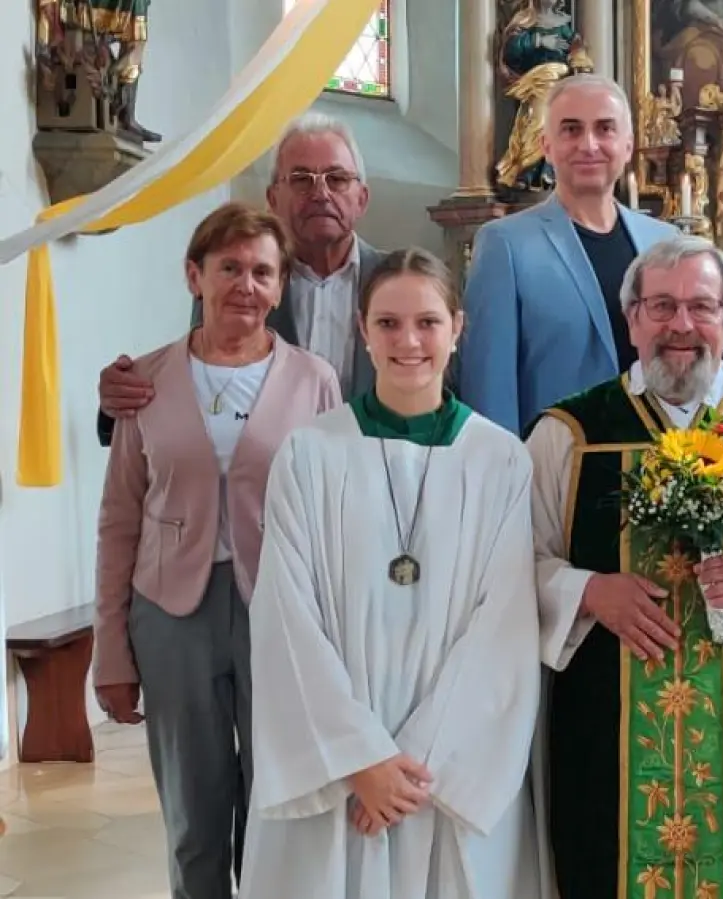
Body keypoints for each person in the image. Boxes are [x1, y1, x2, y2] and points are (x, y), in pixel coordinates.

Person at [526, 234, 723, 899]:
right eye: (662, 306)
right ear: (632, 318)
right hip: (604, 737)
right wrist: (587, 590)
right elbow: (508, 566)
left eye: (702, 306)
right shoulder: (570, 435)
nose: (682, 326)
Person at [239, 249, 543, 897]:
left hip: (445, 774)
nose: (409, 341)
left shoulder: (500, 460)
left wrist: (413, 767)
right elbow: (286, 617)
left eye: (428, 322)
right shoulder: (311, 452)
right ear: (362, 329)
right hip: (342, 776)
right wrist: (360, 759)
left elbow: (504, 627)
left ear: (458, 327)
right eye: (389, 323)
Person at [93, 202, 342, 899]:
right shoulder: (143, 380)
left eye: (262, 270)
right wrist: (110, 653)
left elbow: (333, 517)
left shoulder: (315, 380)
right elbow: (118, 521)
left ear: (281, 285)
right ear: (193, 275)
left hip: (282, 612)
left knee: (278, 803)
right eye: (229, 267)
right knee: (193, 814)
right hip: (172, 615)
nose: (246, 284)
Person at [97, 113, 385, 443]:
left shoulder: (400, 282)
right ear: (273, 198)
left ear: (362, 198)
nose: (320, 193)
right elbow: (198, 384)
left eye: (336, 178)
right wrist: (119, 403)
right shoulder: (240, 288)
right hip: (261, 484)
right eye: (302, 179)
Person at [460, 73, 678, 437]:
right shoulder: (505, 245)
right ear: (546, 145)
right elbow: (489, 388)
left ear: (628, 145)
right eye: (571, 130)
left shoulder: (666, 243)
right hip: (557, 473)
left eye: (605, 128)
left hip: (661, 472)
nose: (588, 145)